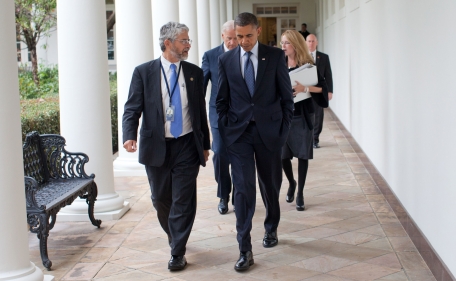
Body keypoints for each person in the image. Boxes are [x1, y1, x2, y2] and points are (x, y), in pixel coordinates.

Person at [122, 22, 210, 271]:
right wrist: (129, 135)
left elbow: (199, 111)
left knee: (184, 199)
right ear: (168, 43)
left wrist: (204, 144)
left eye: (189, 40)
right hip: (156, 145)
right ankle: (175, 234)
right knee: (160, 198)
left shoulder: (194, 72)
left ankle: (177, 251)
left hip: (186, 144)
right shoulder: (144, 72)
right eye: (184, 40)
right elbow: (132, 108)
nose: (188, 44)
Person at [216, 12, 294, 271]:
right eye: (239, 36)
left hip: (269, 133)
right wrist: (227, 129)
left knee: (270, 185)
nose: (244, 41)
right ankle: (244, 248)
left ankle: (271, 227)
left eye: (248, 35)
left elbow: (286, 98)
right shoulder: (226, 60)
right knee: (243, 189)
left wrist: (282, 131)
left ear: (258, 31)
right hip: (238, 135)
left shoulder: (274, 57)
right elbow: (221, 100)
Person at [280, 30, 328, 211]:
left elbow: (322, 88)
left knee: (302, 156)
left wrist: (304, 88)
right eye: (282, 43)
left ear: (295, 45)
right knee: (282, 156)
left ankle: (300, 192)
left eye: (286, 43)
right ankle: (291, 182)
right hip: (284, 117)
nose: (283, 46)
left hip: (303, 116)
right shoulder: (279, 64)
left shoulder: (308, 65)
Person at [201, 20, 238, 215]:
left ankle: (240, 195)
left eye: (235, 38)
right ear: (223, 36)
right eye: (229, 38)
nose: (232, 42)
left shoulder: (244, 53)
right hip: (218, 114)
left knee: (241, 154)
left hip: (241, 114)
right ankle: (224, 194)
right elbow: (201, 86)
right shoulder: (210, 56)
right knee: (221, 154)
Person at [306, 34, 333, 148]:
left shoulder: (324, 57)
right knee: (306, 114)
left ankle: (315, 139)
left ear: (316, 42)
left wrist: (329, 91)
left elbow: (328, 75)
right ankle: (307, 138)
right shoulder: (300, 56)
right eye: (309, 41)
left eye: (313, 41)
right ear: (305, 42)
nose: (311, 43)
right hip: (305, 90)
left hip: (319, 90)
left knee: (318, 115)